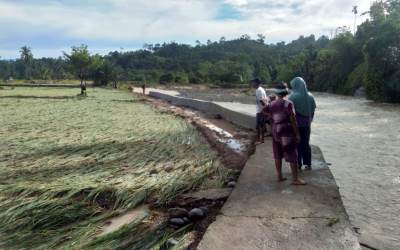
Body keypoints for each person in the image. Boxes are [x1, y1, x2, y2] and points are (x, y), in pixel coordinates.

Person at [263, 83, 306, 185]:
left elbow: (264, 110)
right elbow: (293, 120)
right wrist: (297, 134)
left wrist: (274, 117)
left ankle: (279, 176)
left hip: (275, 130)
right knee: (292, 154)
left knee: (277, 154)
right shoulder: (288, 104)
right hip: (286, 131)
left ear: (276, 93)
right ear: (286, 92)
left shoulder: (272, 104)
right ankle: (295, 179)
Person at [289, 77, 316, 171]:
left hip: (296, 125)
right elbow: (313, 111)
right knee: (306, 144)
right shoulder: (310, 96)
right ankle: (308, 164)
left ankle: (298, 164)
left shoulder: (293, 96)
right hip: (307, 124)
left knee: (297, 144)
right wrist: (309, 120)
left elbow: (289, 112)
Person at [251, 78, 269, 143]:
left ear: (256, 83)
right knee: (262, 125)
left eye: (253, 82)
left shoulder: (258, 90)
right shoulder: (261, 89)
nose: (252, 84)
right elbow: (265, 99)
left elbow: (261, 100)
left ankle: (259, 139)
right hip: (262, 110)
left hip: (261, 111)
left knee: (258, 126)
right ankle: (261, 139)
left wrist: (265, 109)